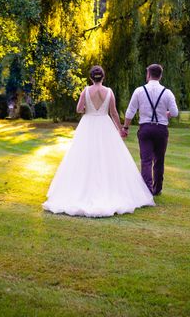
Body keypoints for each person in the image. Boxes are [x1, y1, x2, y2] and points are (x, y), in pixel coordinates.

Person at [42, 66, 155, 217]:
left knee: (83, 157)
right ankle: (108, 189)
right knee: (107, 157)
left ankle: (82, 189)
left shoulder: (86, 91)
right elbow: (114, 112)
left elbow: (78, 109)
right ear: (103, 77)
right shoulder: (108, 92)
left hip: (88, 125)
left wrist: (84, 108)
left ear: (90, 78)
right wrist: (121, 128)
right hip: (105, 125)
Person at [121, 64, 178, 196]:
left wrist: (125, 128)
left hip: (145, 129)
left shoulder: (139, 91)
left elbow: (130, 111)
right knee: (159, 160)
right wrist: (166, 114)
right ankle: (157, 189)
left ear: (148, 75)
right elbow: (174, 112)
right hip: (161, 129)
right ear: (160, 76)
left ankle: (146, 190)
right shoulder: (167, 92)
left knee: (146, 160)